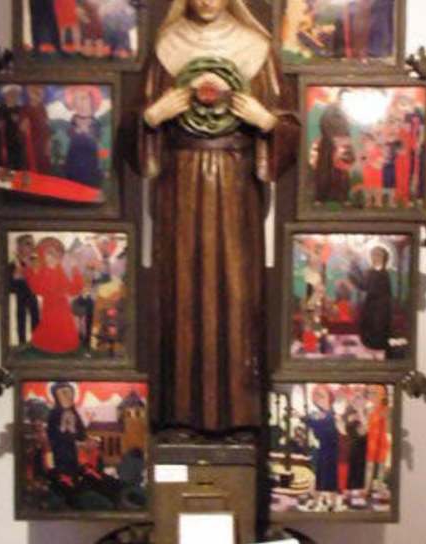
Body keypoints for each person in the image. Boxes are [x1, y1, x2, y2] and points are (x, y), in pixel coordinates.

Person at [132, 0, 299, 431]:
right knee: (180, 289)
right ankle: (177, 410)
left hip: (236, 184)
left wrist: (268, 122)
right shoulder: (167, 45)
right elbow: (135, 128)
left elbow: (291, 127)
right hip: (179, 185)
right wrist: (152, 116)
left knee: (238, 290)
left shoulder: (255, 46)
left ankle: (241, 411)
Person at [22, 237, 84, 354]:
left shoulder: (60, 270)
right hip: (49, 305)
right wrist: (30, 270)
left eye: (52, 254)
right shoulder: (44, 270)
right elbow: (37, 288)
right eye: (47, 254)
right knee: (49, 327)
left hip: (61, 306)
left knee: (63, 328)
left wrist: (74, 269)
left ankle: (63, 347)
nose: (50, 257)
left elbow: (74, 289)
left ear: (57, 256)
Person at [348, 245, 392, 353]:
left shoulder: (383, 273)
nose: (374, 257)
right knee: (368, 327)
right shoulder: (371, 271)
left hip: (379, 308)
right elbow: (364, 282)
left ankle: (376, 346)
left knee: (377, 328)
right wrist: (354, 270)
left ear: (383, 258)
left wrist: (353, 277)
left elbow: (366, 285)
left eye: (378, 255)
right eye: (373, 255)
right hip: (371, 306)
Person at [64, 86, 104, 188]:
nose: (80, 103)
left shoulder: (96, 124)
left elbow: (101, 149)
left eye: (83, 98)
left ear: (92, 100)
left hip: (90, 169)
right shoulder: (72, 123)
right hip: (73, 169)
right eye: (76, 99)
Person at [8, 234, 40, 345]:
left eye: (33, 244)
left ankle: (36, 343)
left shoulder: (36, 262)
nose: (32, 247)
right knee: (20, 319)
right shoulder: (13, 264)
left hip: (33, 295)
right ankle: (21, 343)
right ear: (19, 247)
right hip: (20, 296)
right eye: (28, 244)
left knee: (35, 318)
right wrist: (17, 275)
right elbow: (9, 285)